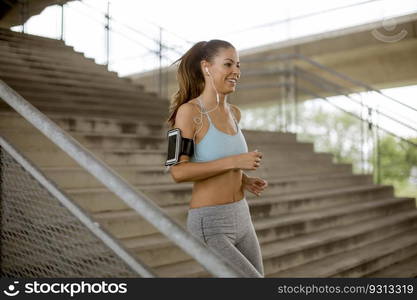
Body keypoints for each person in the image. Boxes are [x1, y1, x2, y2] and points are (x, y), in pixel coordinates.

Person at [166, 40, 268, 278]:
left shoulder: (234, 113)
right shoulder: (189, 112)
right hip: (210, 223)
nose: (236, 71)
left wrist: (243, 180)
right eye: (228, 64)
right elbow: (177, 172)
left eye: (238, 65)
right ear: (207, 67)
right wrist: (235, 162)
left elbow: (216, 158)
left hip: (242, 215)